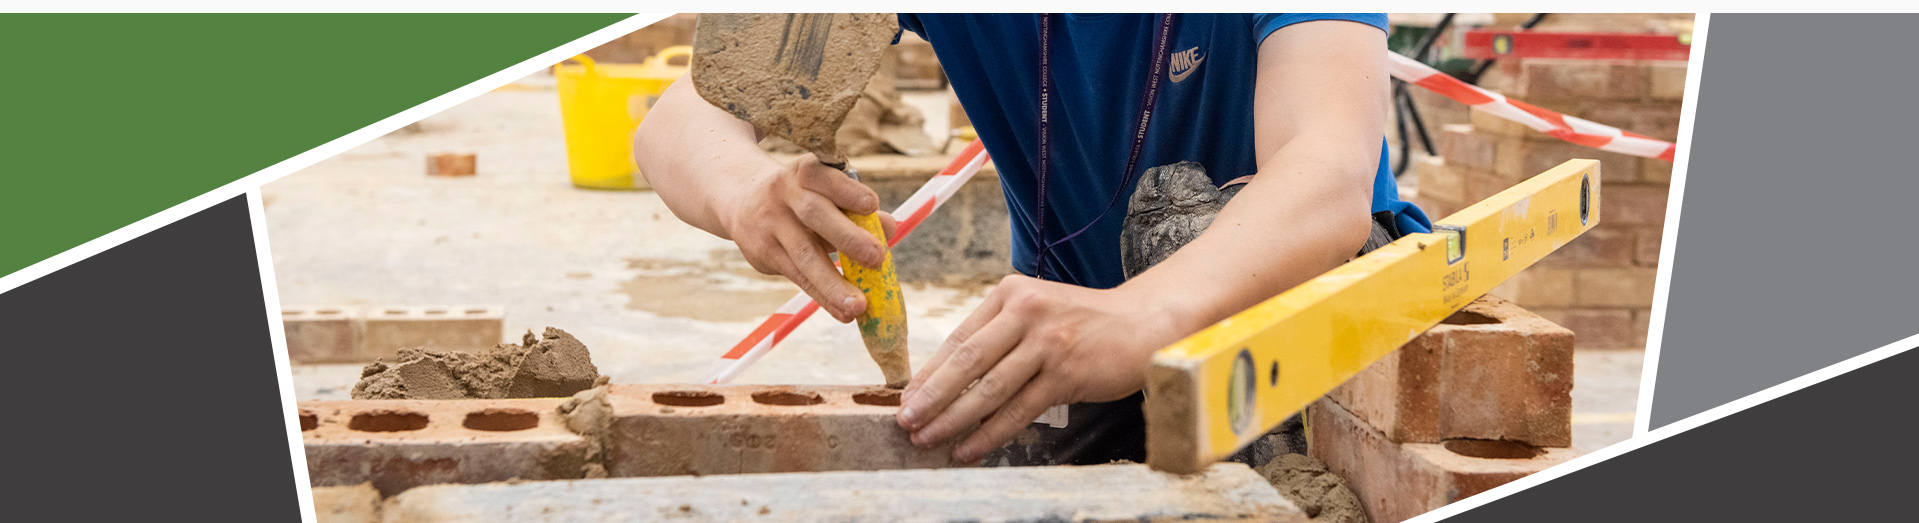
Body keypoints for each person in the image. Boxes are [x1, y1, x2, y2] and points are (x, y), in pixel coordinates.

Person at [633, 13, 1430, 466]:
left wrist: (1142, 315)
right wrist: (741, 190)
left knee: (1180, 222)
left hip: (1291, 312)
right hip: (1075, 333)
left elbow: (1328, 169)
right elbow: (679, 119)